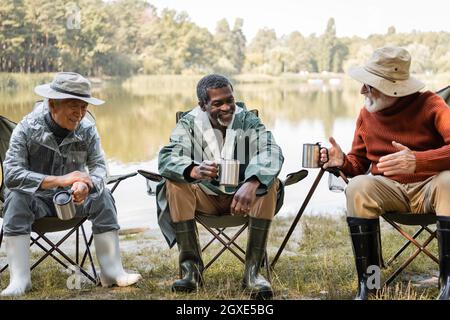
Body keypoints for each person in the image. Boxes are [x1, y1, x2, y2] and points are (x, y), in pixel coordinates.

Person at [321, 46, 450, 300]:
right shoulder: (365, 114)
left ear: (394, 87)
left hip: (431, 189)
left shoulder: (430, 104)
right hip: (390, 191)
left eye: (370, 85)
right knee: (357, 186)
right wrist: (342, 162)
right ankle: (371, 283)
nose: (362, 91)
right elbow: (358, 165)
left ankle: (448, 284)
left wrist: (417, 161)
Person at [1, 72, 141, 296]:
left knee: (103, 195)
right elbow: (12, 175)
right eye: (74, 106)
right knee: (16, 197)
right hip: (35, 203)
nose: (80, 114)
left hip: (73, 201)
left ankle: (112, 272)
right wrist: (60, 180)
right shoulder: (27, 128)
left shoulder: (87, 129)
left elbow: (99, 167)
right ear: (52, 104)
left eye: (84, 106)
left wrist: (87, 185)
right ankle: (20, 279)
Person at [157, 74, 284, 299]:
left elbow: (271, 150)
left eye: (230, 100)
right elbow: (168, 157)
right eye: (217, 103)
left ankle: (253, 273)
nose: (227, 107)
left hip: (242, 201)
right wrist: (192, 170)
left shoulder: (248, 120)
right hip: (203, 200)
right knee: (174, 181)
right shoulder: (189, 123)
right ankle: (191, 271)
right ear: (203, 105)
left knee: (268, 181)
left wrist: (252, 181)